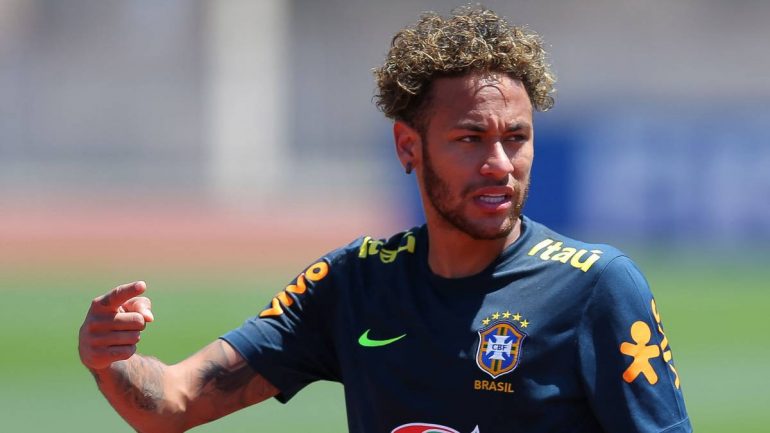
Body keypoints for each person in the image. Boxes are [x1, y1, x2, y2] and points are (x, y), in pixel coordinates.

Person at [78, 6, 691, 433]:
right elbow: (174, 403)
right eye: (470, 138)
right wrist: (111, 362)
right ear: (408, 146)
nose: (500, 165)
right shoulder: (354, 283)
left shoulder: (595, 285)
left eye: (516, 137)